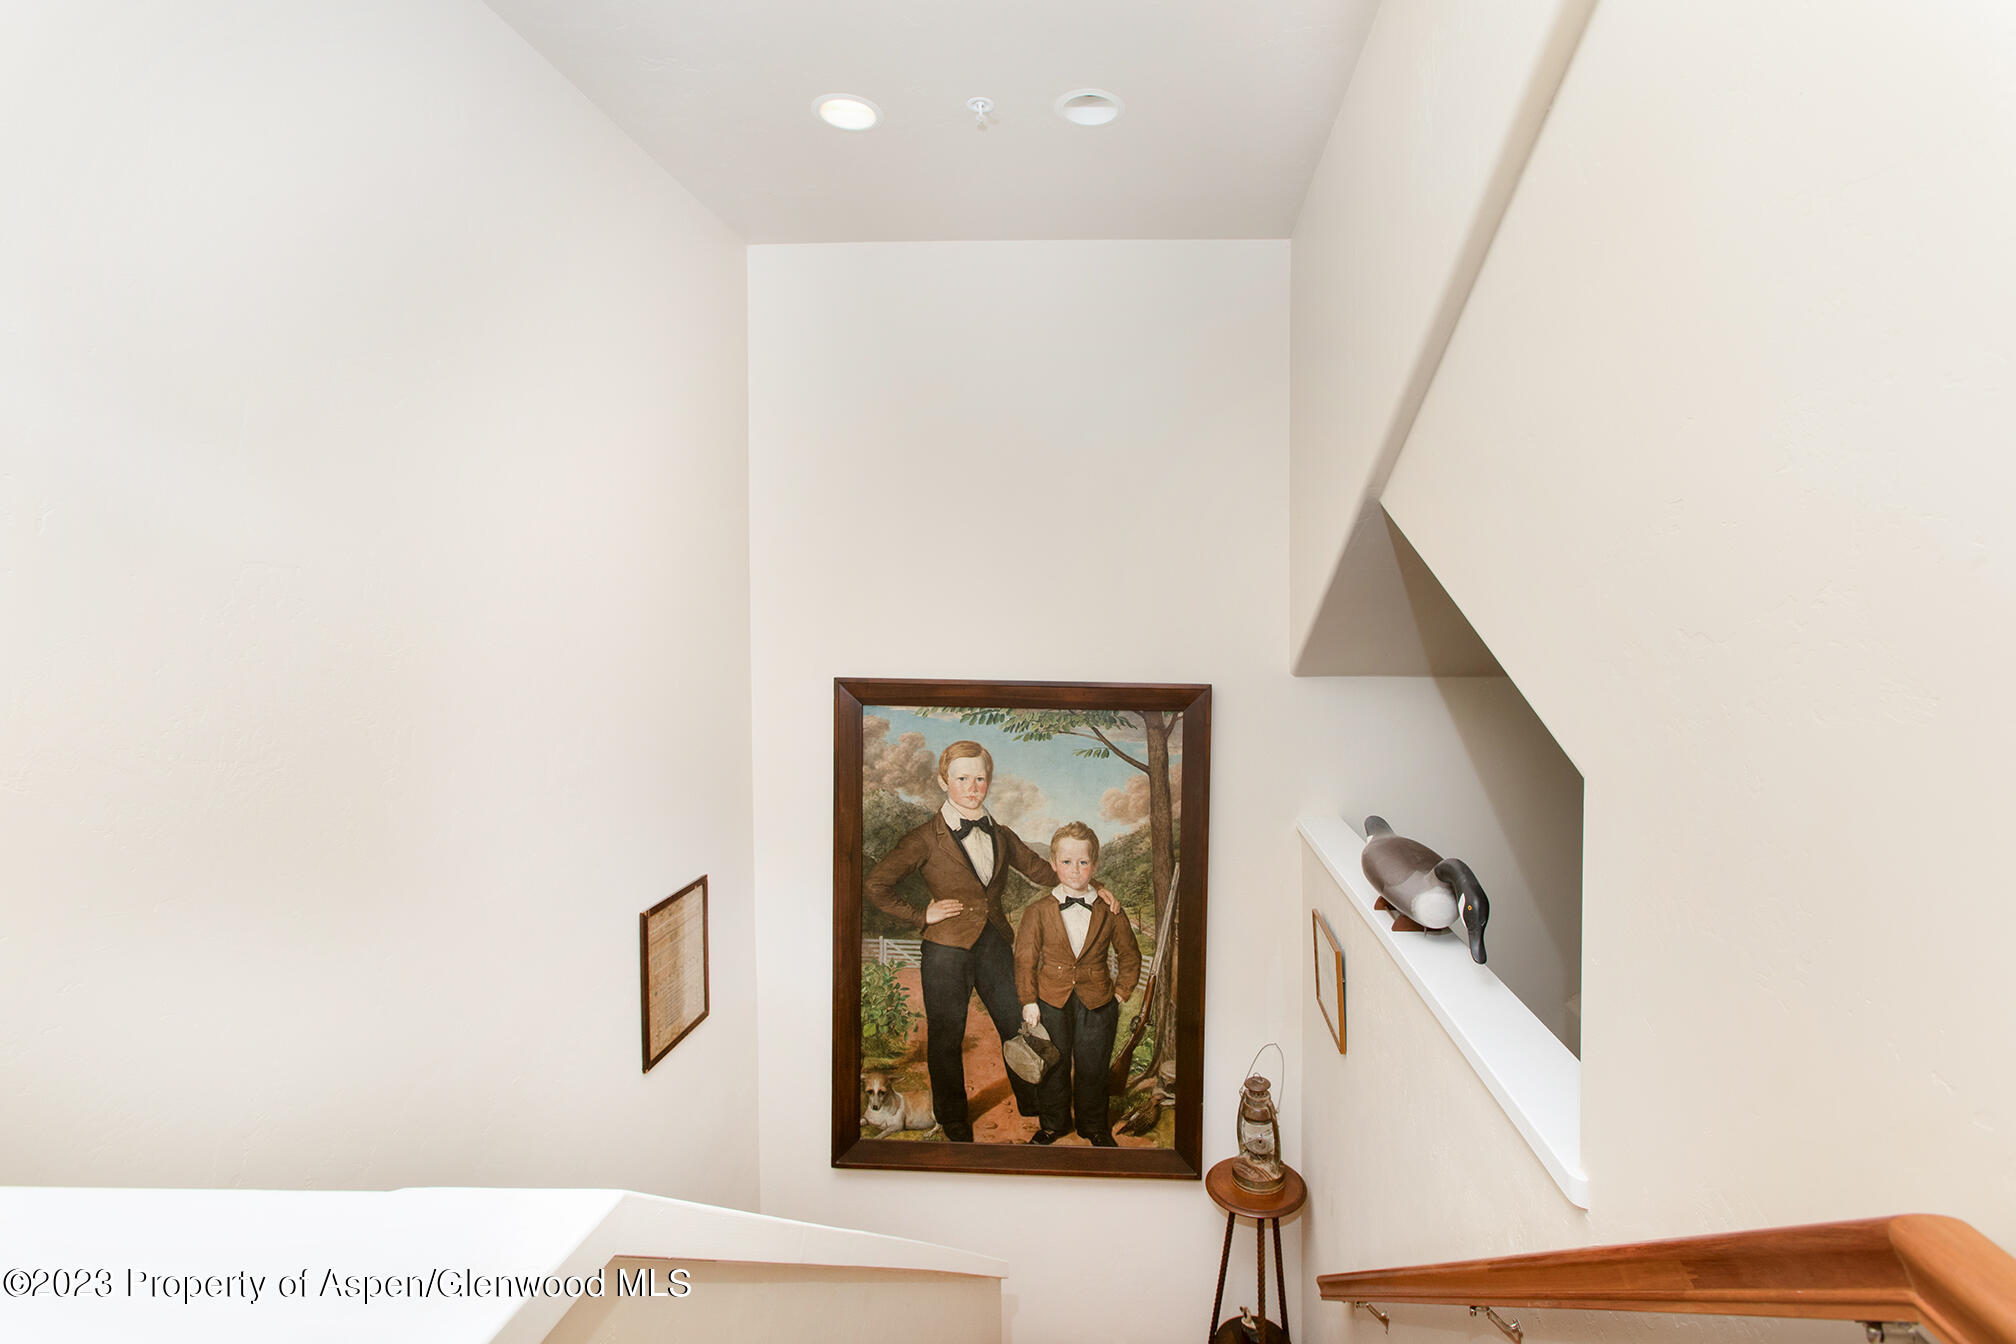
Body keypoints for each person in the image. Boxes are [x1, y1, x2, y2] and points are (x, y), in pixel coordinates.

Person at [863, 741, 1114, 1142]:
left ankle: (1034, 1104)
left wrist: (1093, 885)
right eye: (962, 778)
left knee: (1019, 1024)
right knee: (947, 1036)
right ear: (943, 781)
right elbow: (876, 884)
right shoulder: (924, 838)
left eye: (980, 778)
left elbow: (1043, 871)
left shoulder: (1000, 833)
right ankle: (953, 1117)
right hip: (945, 948)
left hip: (995, 943)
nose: (972, 786)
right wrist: (919, 915)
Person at [1013, 821, 1141, 1146]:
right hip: (1050, 1000)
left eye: (1083, 862)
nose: (1075, 870)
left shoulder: (1110, 910)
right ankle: (1054, 1124)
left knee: (1093, 1067)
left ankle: (1094, 1127)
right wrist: (1029, 1000)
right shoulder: (1037, 911)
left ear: (1094, 865)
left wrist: (1122, 993)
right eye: (1067, 862)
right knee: (1053, 1064)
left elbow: (1130, 955)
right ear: (1054, 864)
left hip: (1098, 1001)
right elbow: (1024, 960)